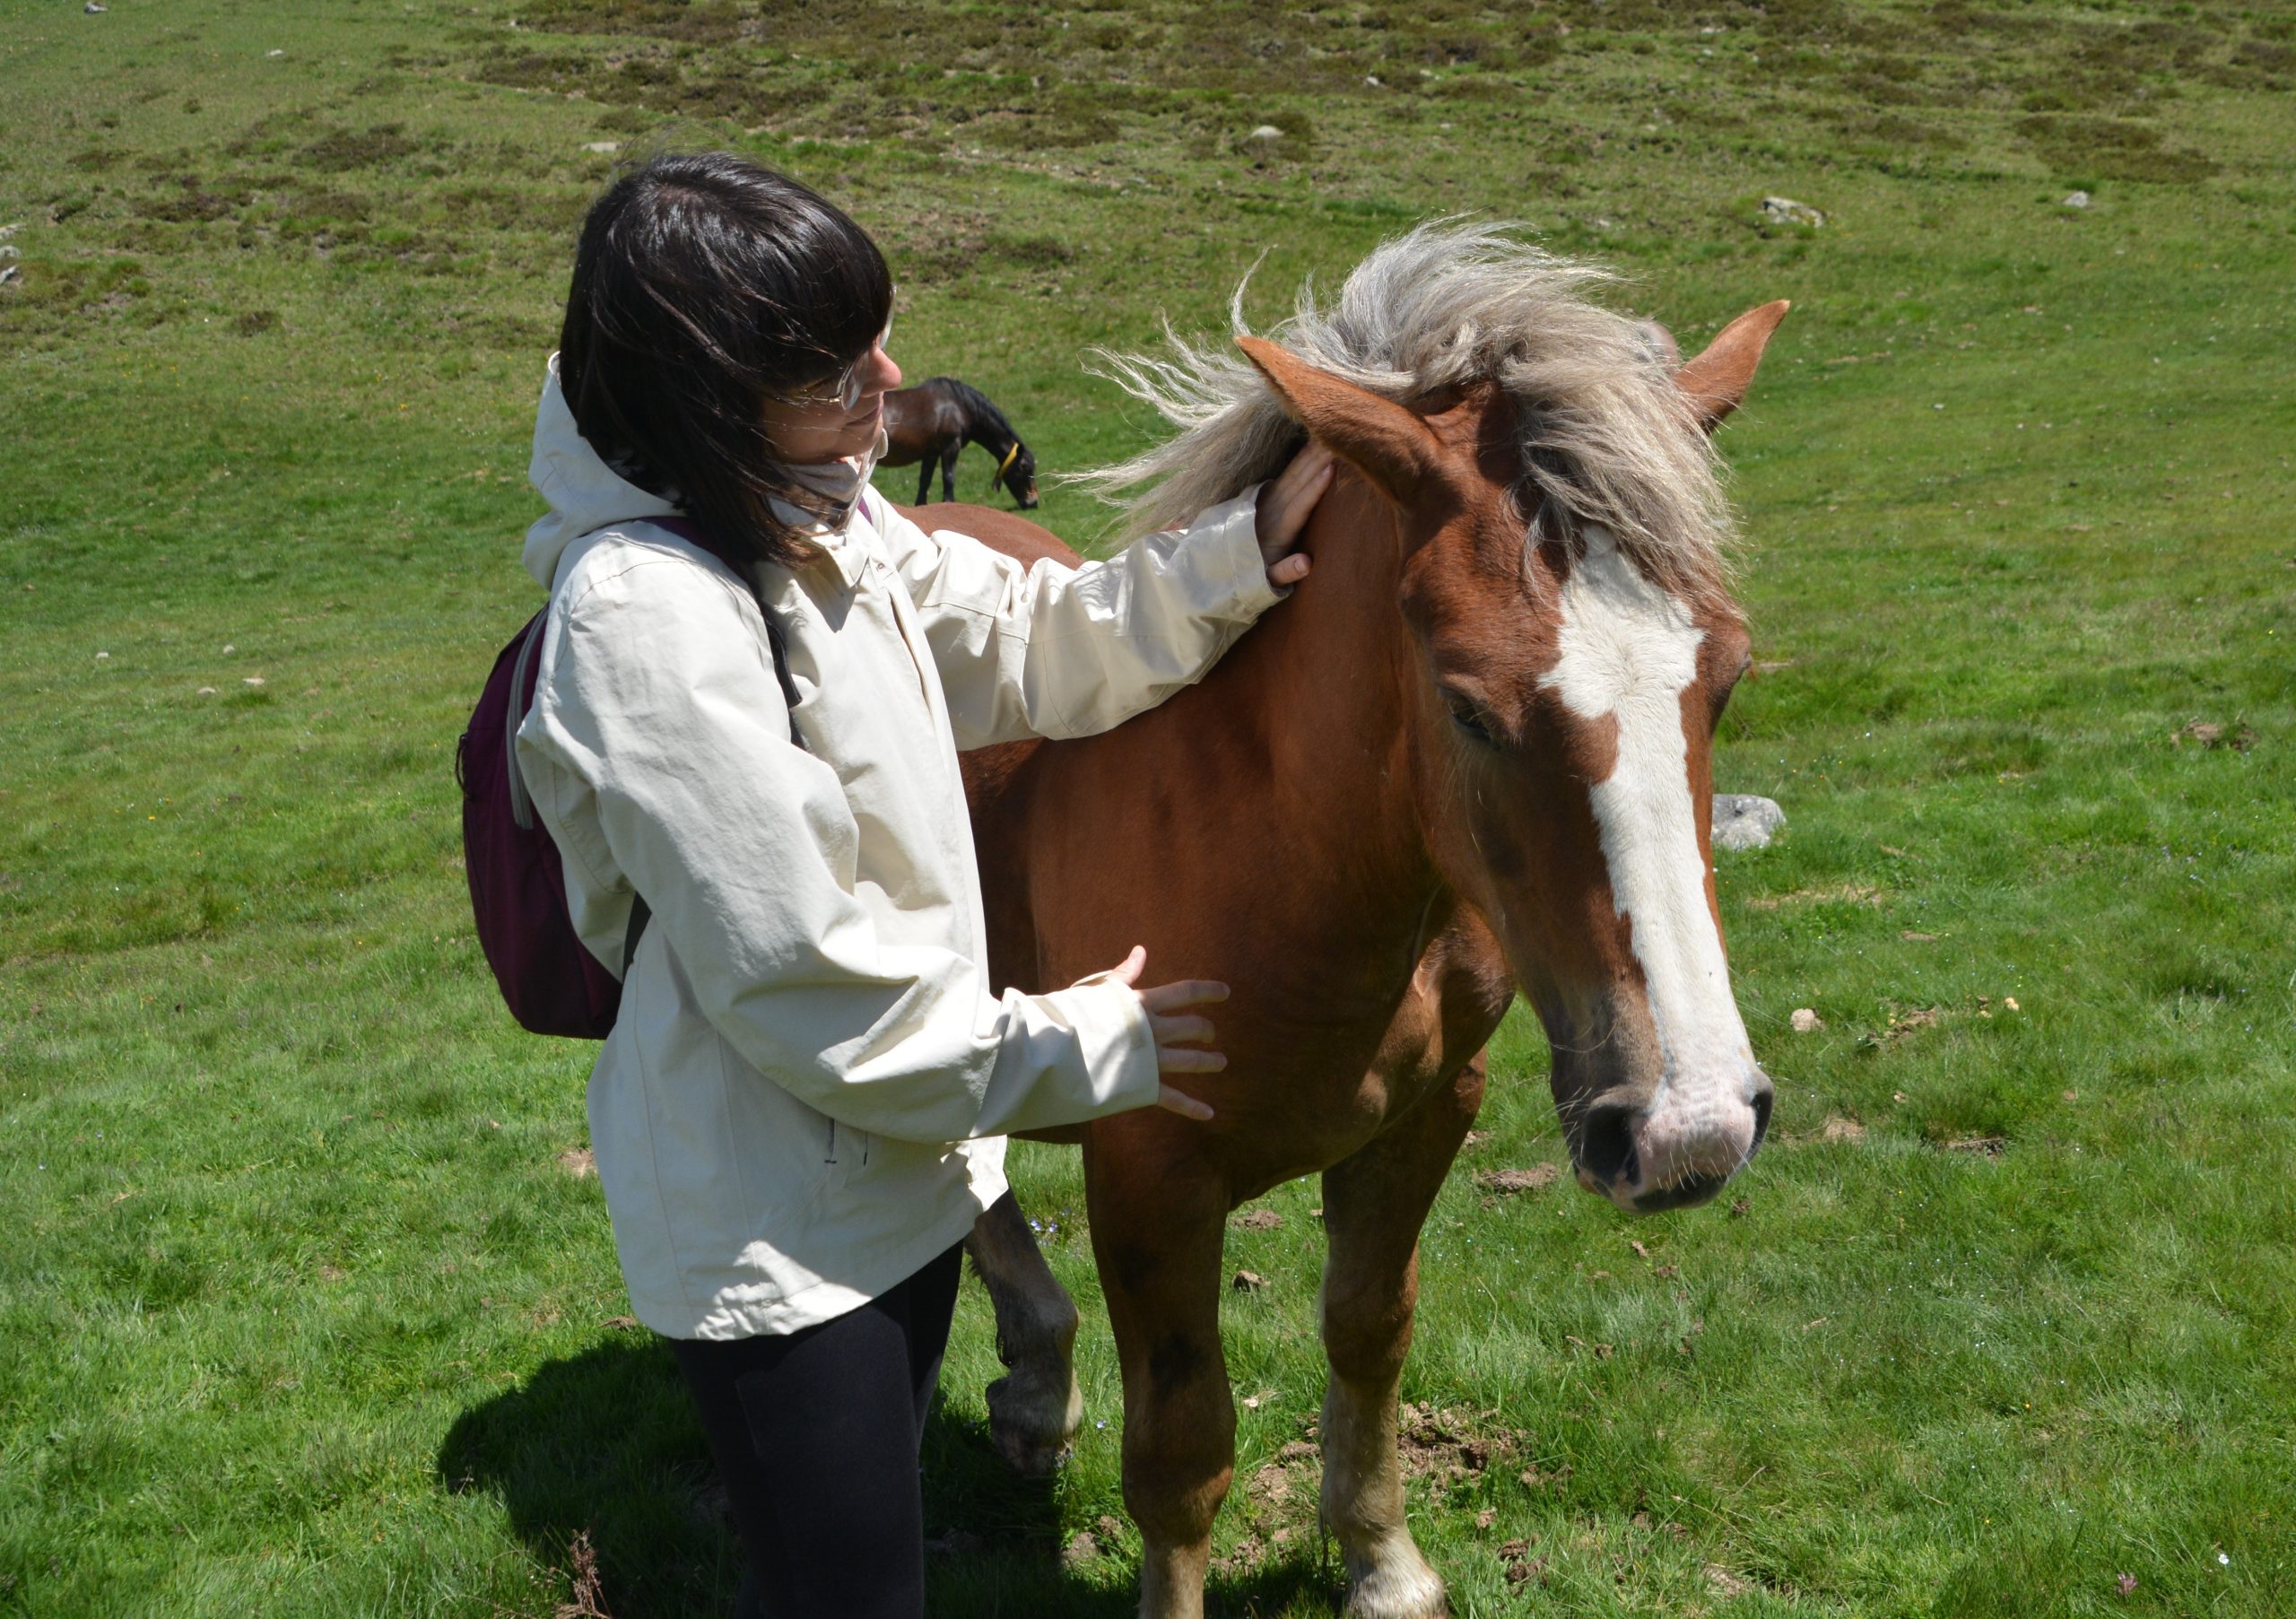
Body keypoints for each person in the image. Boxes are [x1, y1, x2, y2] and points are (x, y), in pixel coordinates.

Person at [513, 151, 1333, 1617]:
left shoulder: (819, 513)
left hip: (896, 1168)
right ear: (711, 396)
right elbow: (810, 983)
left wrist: (1238, 558)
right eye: (837, 369)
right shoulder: (648, 622)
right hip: (779, 1229)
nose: (892, 380)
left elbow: (1026, 637)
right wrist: (1083, 1045)